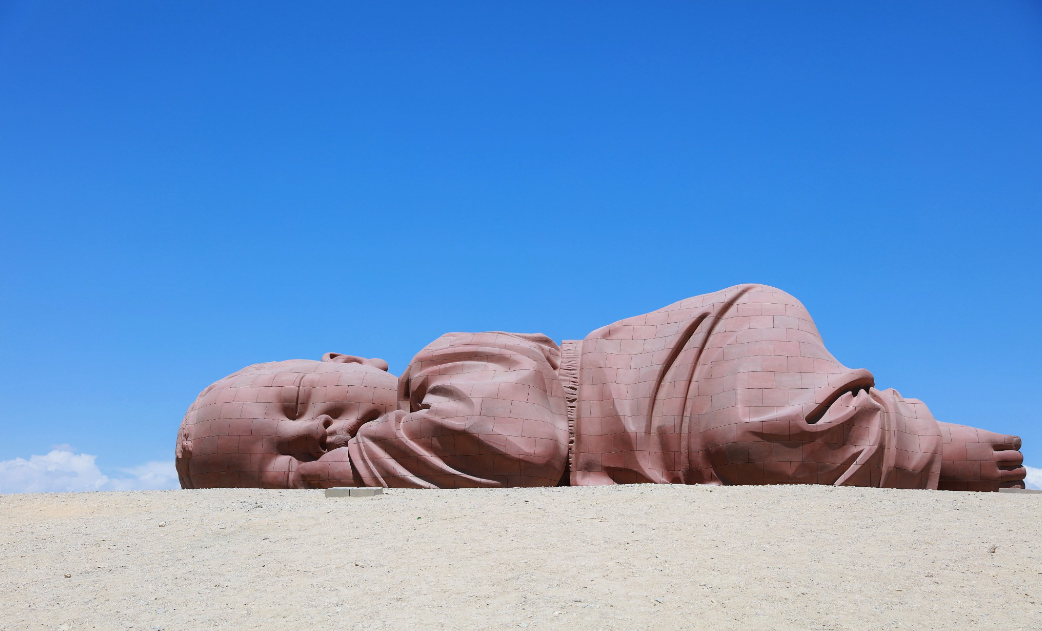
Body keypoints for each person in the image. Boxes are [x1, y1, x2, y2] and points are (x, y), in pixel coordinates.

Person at [175, 284, 1026, 492]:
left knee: (754, 429)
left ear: (348, 361)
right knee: (751, 445)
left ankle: (918, 441)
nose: (316, 440)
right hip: (669, 432)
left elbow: (519, 440)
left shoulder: (449, 363)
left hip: (701, 360)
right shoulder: (414, 448)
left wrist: (349, 476)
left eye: (297, 408)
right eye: (285, 467)